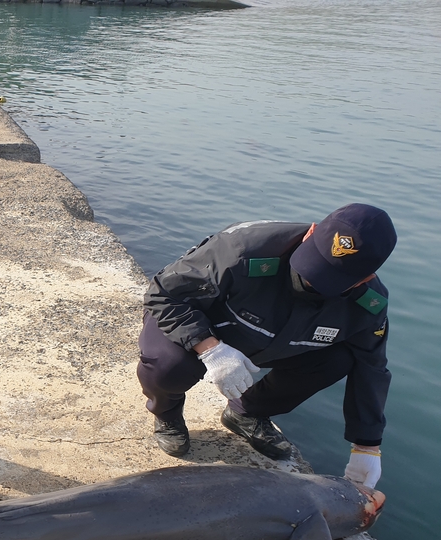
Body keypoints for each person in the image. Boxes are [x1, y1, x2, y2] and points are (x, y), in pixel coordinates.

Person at [137, 203, 397, 488]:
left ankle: (246, 412)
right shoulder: (243, 247)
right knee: (168, 366)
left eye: (329, 280)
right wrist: (210, 348)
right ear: (311, 233)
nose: (312, 280)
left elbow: (371, 367)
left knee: (342, 359)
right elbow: (162, 294)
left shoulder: (368, 306)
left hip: (277, 344)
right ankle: (167, 415)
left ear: (365, 278)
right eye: (315, 263)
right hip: (203, 325)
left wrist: (367, 446)